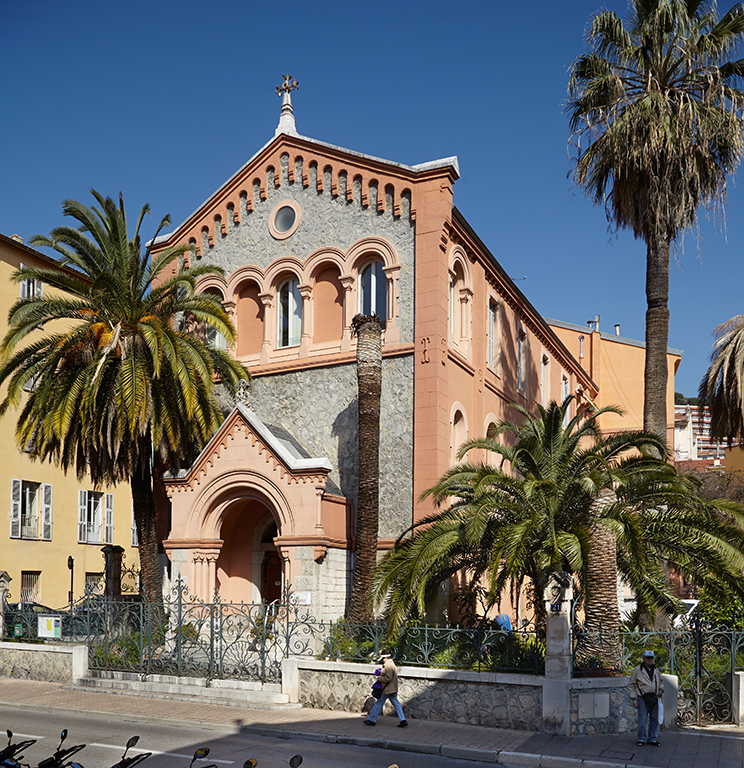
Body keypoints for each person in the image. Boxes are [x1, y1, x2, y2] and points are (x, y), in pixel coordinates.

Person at [628, 649, 664, 747]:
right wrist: (633, 699)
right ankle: (641, 738)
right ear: (644, 658)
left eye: (651, 658)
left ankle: (652, 738)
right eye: (648, 658)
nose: (650, 660)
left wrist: (661, 690)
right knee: (642, 719)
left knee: (654, 719)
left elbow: (661, 682)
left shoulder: (656, 670)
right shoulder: (638, 670)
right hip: (643, 697)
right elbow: (631, 685)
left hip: (654, 696)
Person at [364, 651, 407, 727]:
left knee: (379, 703)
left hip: (387, 689)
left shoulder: (389, 665)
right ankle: (403, 720)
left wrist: (380, 678)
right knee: (396, 704)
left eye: (383, 658)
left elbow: (388, 678)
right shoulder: (390, 664)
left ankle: (372, 720)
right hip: (390, 689)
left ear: (386, 657)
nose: (382, 660)